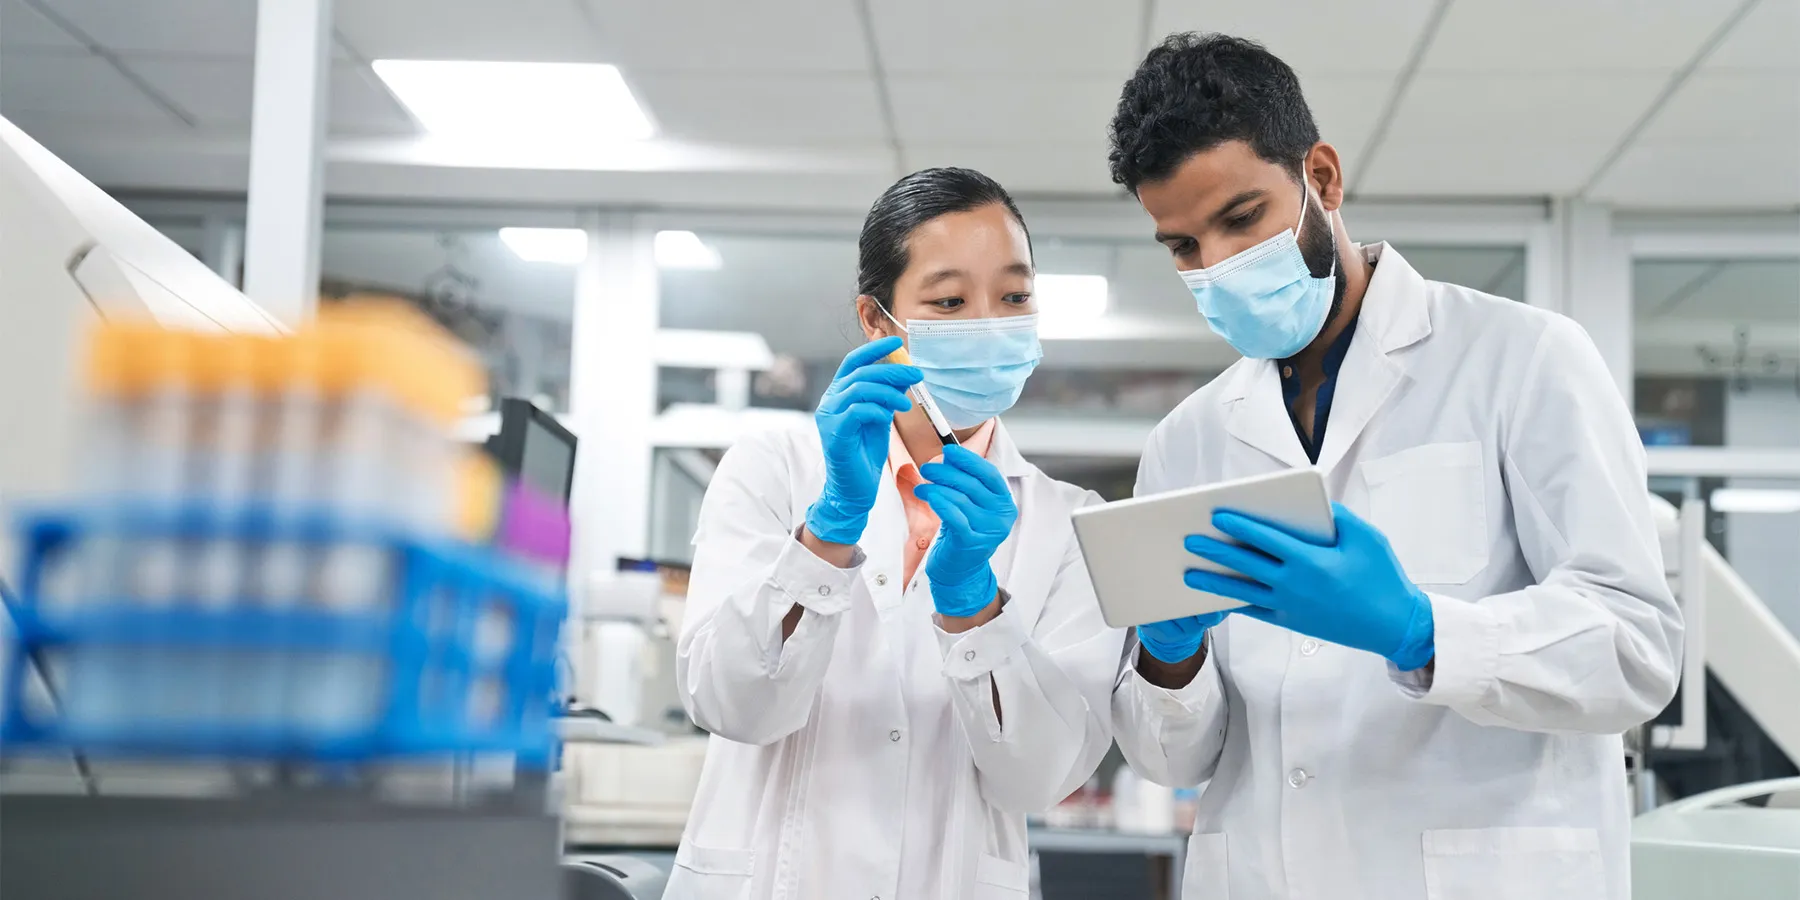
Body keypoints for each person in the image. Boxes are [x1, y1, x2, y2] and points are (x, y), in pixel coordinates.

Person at [1105, 33, 1684, 900]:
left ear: (1323, 180)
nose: (1217, 266)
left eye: (1242, 218)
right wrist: (1169, 665)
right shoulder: (1186, 441)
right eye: (1183, 246)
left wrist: (1421, 631)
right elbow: (1171, 758)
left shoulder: (1520, 358)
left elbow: (1637, 652)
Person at [668, 167, 1123, 900]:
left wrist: (975, 605)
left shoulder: (1069, 524)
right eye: (949, 300)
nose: (989, 322)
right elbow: (730, 705)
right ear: (880, 323)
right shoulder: (774, 466)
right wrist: (828, 528)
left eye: (1014, 296)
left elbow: (1038, 776)